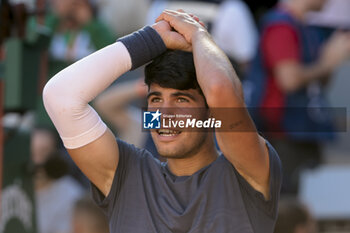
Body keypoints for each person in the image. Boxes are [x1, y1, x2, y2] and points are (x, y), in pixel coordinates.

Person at [43, 9, 282, 233]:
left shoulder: (246, 172)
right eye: (156, 99)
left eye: (182, 100)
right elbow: (60, 96)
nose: (164, 115)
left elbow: (221, 90)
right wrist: (151, 39)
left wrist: (198, 35)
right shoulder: (126, 175)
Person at [244, 0, 350, 194]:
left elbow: (317, 82)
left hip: (301, 130)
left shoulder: (302, 25)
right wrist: (327, 63)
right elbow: (289, 80)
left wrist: (331, 59)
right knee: (286, 205)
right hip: (283, 133)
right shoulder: (281, 24)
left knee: (306, 199)